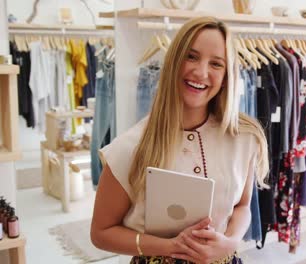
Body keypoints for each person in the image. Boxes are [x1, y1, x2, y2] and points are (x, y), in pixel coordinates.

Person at [90, 16, 269, 264]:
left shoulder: (244, 138)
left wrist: (230, 241)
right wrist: (170, 246)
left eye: (216, 64)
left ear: (227, 75)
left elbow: (243, 206)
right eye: (192, 56)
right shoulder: (131, 147)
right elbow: (101, 233)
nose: (201, 72)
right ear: (174, 60)